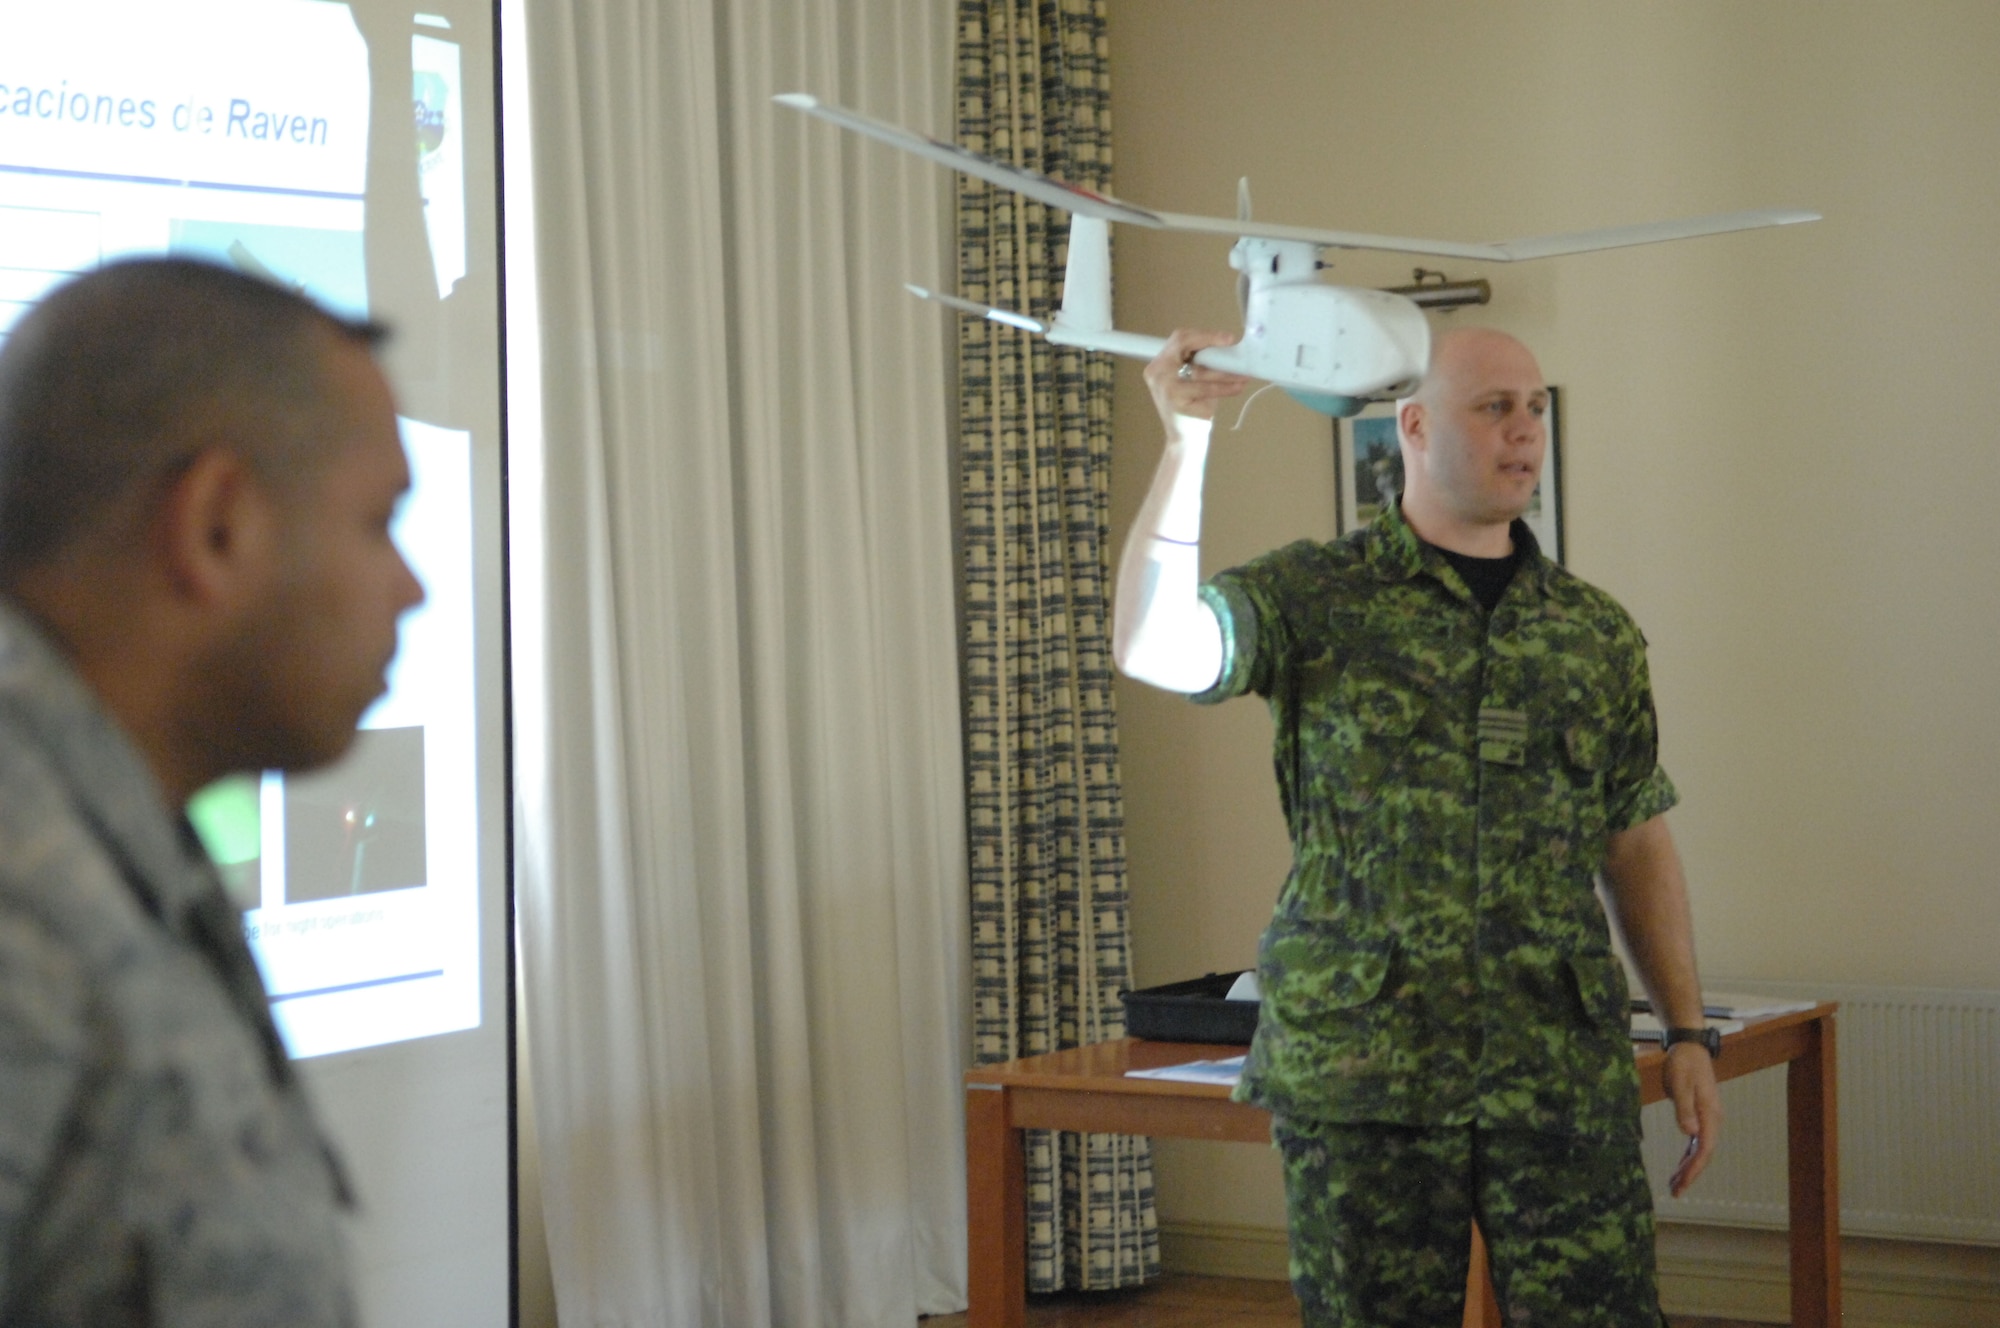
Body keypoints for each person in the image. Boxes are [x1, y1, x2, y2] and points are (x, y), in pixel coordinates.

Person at [1112, 325, 1721, 1326]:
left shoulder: (1591, 632)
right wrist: (1186, 443)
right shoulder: (1314, 596)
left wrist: (1687, 1030)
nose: (1522, 430)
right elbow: (1153, 643)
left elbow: (1633, 836)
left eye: (1532, 407)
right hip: (1363, 1077)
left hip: (1553, 1071)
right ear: (1413, 425)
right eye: (1493, 407)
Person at [0, 257, 424, 1325]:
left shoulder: (106, 826)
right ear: (216, 524)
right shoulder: (20, 906)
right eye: (378, 522)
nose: (410, 587)